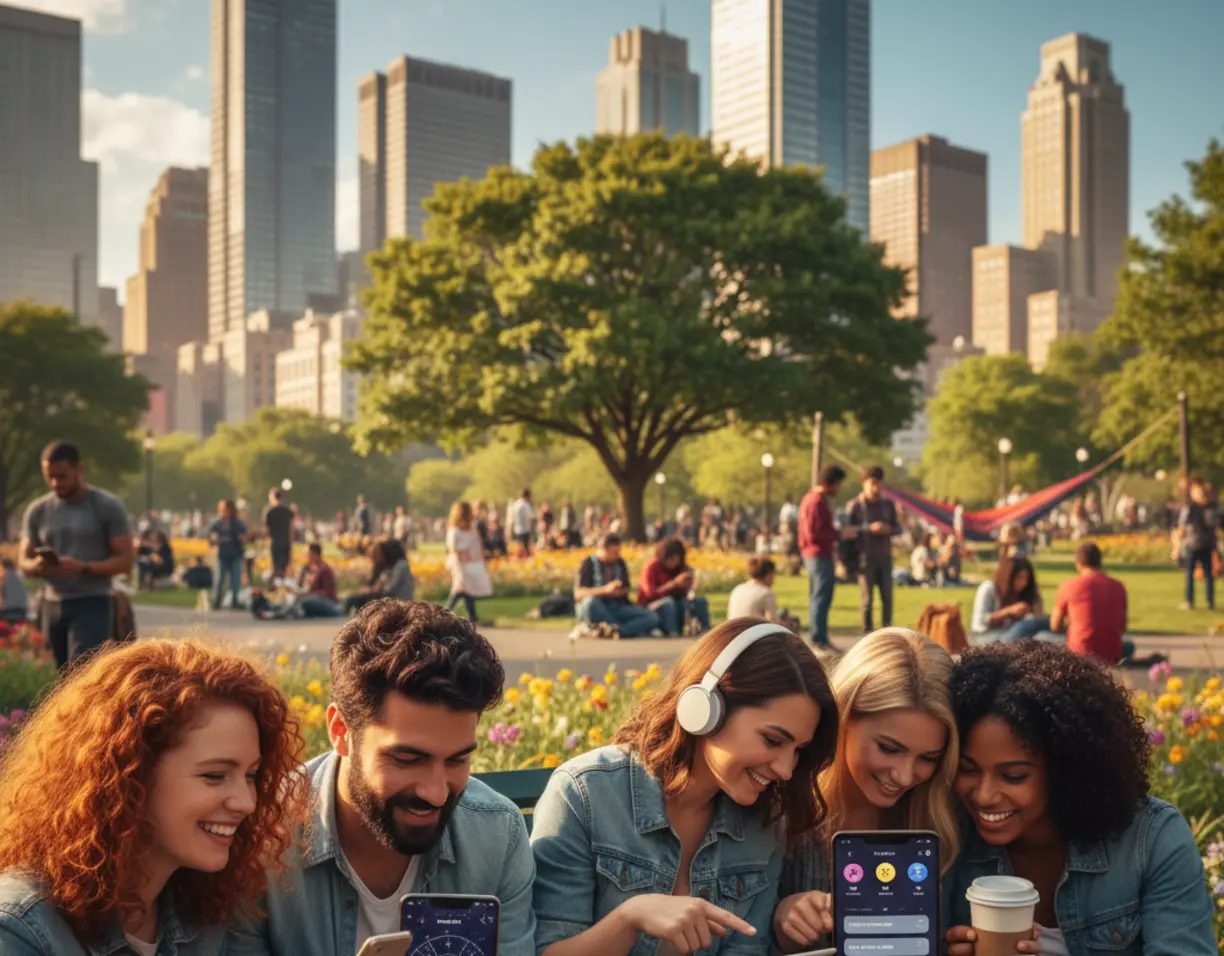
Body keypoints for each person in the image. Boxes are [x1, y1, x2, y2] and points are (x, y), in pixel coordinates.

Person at [228, 600, 537, 956]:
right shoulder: (264, 833)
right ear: (341, 730)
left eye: (458, 759)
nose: (436, 793)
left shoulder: (497, 836)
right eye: (407, 759)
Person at [530, 619, 840, 956]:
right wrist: (630, 919)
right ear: (705, 708)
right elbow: (548, 951)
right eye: (773, 739)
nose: (785, 769)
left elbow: (746, 950)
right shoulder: (585, 794)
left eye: (798, 749)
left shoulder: (765, 822)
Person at [0, 639, 305, 955]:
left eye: (251, 775)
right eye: (214, 776)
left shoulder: (214, 907)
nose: (247, 802)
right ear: (129, 776)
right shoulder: (21, 930)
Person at [944, 642, 1216, 955]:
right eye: (968, 769)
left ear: (1066, 768)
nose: (984, 795)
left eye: (1013, 776)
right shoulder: (951, 840)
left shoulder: (1150, 840)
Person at [773, 629, 959, 952]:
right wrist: (779, 923)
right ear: (843, 717)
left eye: (928, 758)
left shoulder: (944, 817)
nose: (904, 776)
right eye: (889, 748)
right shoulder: (779, 807)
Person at [19, 440, 134, 669]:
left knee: (82, 674)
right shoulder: (38, 510)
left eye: (61, 476)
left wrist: (83, 567)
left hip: (92, 602)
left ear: (79, 469)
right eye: (49, 476)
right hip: (50, 603)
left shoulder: (106, 506)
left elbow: (126, 561)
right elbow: (23, 561)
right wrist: (38, 565)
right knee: (54, 677)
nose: (55, 483)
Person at [798, 465, 855, 648]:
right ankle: (818, 639)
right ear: (832, 482)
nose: (839, 489)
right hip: (819, 553)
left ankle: (819, 636)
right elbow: (815, 533)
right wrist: (839, 534)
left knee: (817, 596)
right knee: (821, 596)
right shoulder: (817, 502)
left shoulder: (810, 498)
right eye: (838, 484)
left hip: (813, 553)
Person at [1049, 541, 1131, 663]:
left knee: (1041, 637)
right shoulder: (1118, 586)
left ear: (1078, 564)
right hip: (1111, 653)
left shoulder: (1069, 586)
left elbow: (1054, 625)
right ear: (1100, 562)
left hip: (1080, 651)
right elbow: (1122, 626)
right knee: (1129, 646)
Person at [846, 465, 902, 633]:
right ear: (864, 483)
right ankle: (867, 635)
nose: (875, 488)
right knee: (867, 601)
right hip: (864, 558)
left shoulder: (887, 505)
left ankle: (887, 634)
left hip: (884, 557)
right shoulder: (855, 506)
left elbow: (898, 528)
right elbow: (847, 530)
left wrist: (888, 529)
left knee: (887, 599)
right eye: (872, 484)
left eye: (878, 484)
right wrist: (868, 528)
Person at [573, 533, 660, 638]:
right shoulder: (588, 563)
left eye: (619, 552)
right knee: (589, 603)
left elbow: (626, 588)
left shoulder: (620, 563)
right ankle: (622, 629)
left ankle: (617, 630)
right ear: (603, 549)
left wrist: (618, 592)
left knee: (652, 617)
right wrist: (605, 590)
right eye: (614, 553)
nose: (617, 555)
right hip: (598, 607)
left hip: (616, 606)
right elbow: (578, 594)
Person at [637, 537, 711, 636]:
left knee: (701, 602)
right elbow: (650, 594)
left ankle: (706, 632)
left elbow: (686, 594)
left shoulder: (680, 568)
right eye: (671, 559)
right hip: (651, 605)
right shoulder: (651, 568)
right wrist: (673, 584)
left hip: (677, 602)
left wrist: (689, 583)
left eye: (677, 559)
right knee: (668, 603)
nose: (674, 562)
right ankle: (673, 634)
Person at [969, 556, 1050, 644]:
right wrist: (1009, 611)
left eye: (1027, 579)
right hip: (985, 637)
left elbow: (1038, 616)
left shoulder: (1024, 592)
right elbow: (979, 621)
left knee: (1043, 635)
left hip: (1010, 635)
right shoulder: (989, 588)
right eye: (1020, 578)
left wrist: (1034, 603)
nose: (1024, 583)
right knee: (1027, 625)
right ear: (1009, 577)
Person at [446, 500, 492, 623]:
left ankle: (471, 614)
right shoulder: (455, 531)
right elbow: (453, 549)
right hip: (460, 563)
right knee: (460, 588)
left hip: (469, 563)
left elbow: (476, 545)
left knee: (466, 589)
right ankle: (447, 612)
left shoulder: (471, 529)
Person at [1176, 477, 1218, 610]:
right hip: (1196, 543)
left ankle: (1209, 601)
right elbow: (1182, 527)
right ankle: (1192, 600)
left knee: (1206, 574)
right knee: (1193, 574)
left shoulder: (1206, 508)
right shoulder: (1199, 508)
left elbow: (1214, 526)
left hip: (1201, 543)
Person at [344, 539, 415, 614]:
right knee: (354, 599)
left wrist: (377, 590)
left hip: (398, 603)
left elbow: (392, 588)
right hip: (389, 600)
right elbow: (381, 580)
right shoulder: (390, 567)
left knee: (356, 600)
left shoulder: (401, 565)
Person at [208, 499, 247, 611]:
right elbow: (211, 536)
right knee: (219, 579)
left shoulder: (235, 522)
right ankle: (216, 600)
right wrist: (213, 539)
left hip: (235, 554)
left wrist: (242, 537)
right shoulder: (217, 523)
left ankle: (235, 600)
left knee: (235, 579)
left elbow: (244, 533)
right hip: (223, 554)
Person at [297, 543, 343, 618]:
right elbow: (300, 586)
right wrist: (302, 573)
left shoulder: (324, 570)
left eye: (309, 554)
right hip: (315, 599)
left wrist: (309, 595)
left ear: (315, 555)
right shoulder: (310, 569)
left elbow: (328, 592)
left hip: (328, 603)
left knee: (306, 602)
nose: (307, 557)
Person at [726, 557, 778, 621]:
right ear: (768, 574)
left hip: (734, 630)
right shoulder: (766, 594)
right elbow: (772, 623)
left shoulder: (737, 589)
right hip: (754, 630)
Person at [263, 488, 294, 579]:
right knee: (283, 567)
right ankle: (281, 585)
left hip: (275, 542)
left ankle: (276, 586)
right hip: (286, 542)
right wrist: (291, 542)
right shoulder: (288, 511)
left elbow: (267, 530)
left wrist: (267, 541)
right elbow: (291, 529)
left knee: (276, 567)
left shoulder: (270, 512)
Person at [0, 558, 29, 624]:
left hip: (8, 611)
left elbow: (2, 597)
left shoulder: (3, 576)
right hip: (22, 610)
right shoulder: (20, 574)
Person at [510, 489, 535, 556]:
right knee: (526, 549)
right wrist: (531, 529)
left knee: (519, 548)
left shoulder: (515, 504)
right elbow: (530, 518)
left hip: (517, 529)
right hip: (525, 529)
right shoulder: (526, 505)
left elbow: (512, 517)